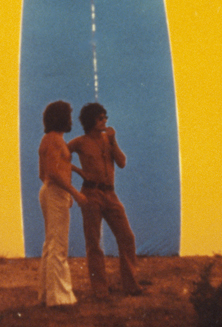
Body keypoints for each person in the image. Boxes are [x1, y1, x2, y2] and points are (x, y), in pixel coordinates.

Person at [68, 102, 142, 298]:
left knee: (127, 237)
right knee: (93, 242)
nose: (105, 121)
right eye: (100, 118)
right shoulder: (80, 142)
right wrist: (78, 171)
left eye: (105, 117)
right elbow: (60, 156)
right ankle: (100, 290)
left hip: (110, 194)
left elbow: (122, 162)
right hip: (90, 194)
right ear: (91, 121)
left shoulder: (108, 140)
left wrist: (113, 141)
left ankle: (131, 285)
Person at [37, 100, 88, 307]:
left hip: (52, 191)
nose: (70, 120)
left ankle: (48, 294)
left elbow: (46, 172)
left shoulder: (49, 139)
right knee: (58, 245)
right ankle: (59, 298)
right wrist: (74, 192)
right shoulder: (54, 140)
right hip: (55, 192)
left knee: (51, 243)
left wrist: (75, 171)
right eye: (68, 115)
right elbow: (52, 172)